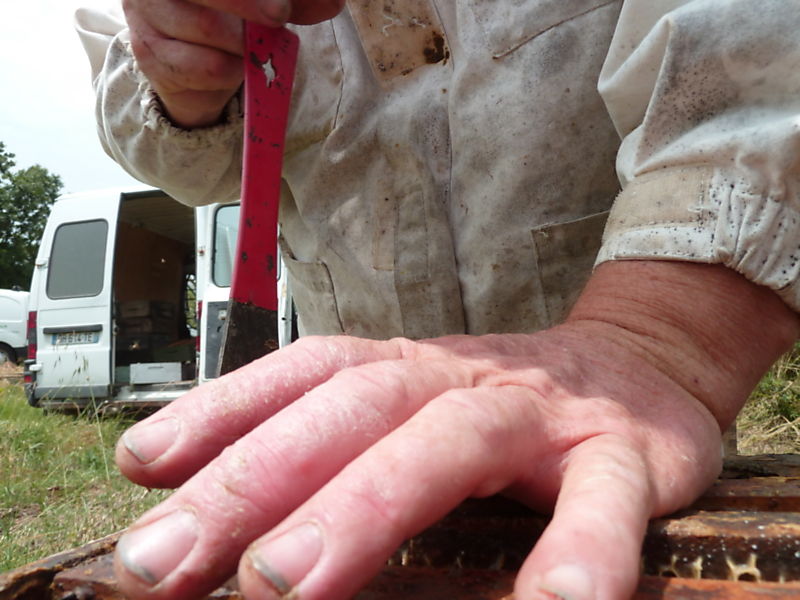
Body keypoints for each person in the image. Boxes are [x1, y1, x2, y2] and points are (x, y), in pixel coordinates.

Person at [76, 1, 800, 599]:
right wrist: (181, 73)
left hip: (620, 438)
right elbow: (175, 159)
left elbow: (763, 48)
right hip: (354, 481)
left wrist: (659, 339)